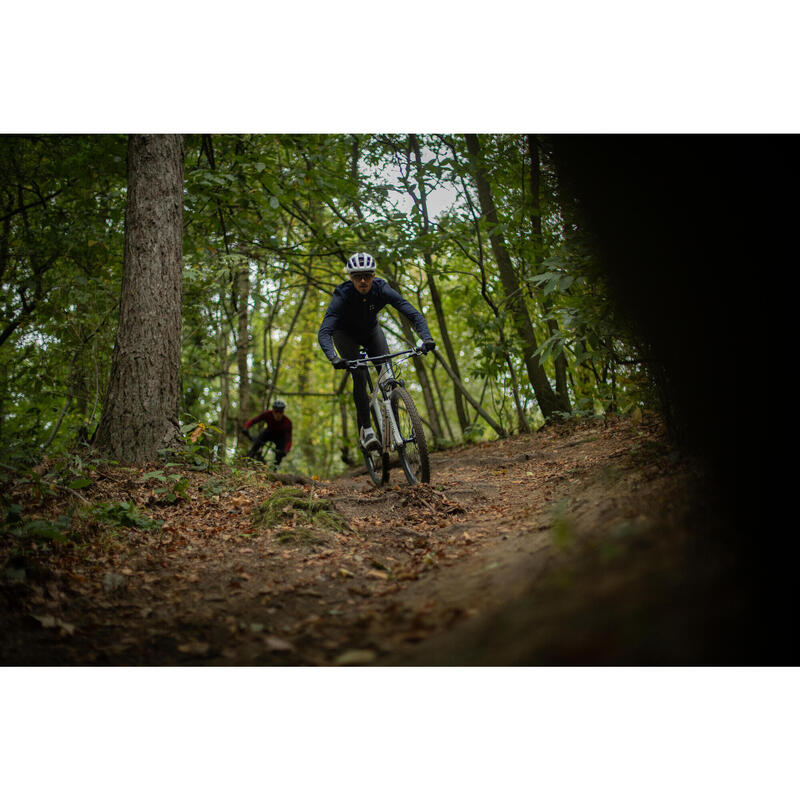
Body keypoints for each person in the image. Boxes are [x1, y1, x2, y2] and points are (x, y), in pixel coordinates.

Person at [317, 252, 435, 452]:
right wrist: (334, 357)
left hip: (371, 332)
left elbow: (412, 313)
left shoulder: (382, 289)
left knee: (388, 374)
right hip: (345, 335)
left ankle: (393, 428)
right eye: (357, 276)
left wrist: (427, 338)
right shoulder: (342, 295)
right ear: (350, 278)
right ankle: (368, 430)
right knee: (360, 373)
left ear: (373, 276)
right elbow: (325, 331)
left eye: (367, 276)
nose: (363, 281)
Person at [243, 399, 292, 466]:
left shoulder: (287, 422)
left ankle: (275, 469)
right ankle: (247, 462)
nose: (278, 414)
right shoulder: (267, 414)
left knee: (279, 454)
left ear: (283, 412)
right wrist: (246, 428)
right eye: (276, 411)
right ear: (273, 411)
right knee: (256, 445)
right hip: (268, 433)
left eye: (280, 412)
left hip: (280, 437)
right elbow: (253, 421)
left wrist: (286, 450)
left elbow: (289, 439)